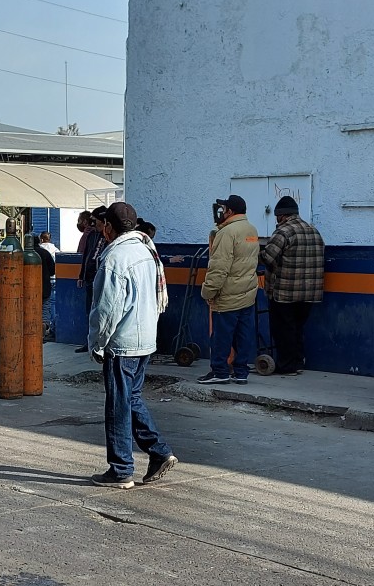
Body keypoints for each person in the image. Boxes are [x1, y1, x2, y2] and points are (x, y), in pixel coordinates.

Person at [88, 202, 177, 489]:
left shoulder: (115, 257)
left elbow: (106, 308)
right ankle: (159, 452)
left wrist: (97, 342)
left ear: (108, 227)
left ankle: (121, 469)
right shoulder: (146, 249)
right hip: (145, 339)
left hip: (122, 342)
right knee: (132, 398)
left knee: (117, 405)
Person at [260, 196, 325, 375]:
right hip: (310, 293)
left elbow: (267, 257)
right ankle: (297, 362)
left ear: (281, 216)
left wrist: (255, 253)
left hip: (285, 291)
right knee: (297, 327)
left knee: (284, 329)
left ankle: (287, 365)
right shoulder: (313, 230)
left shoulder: (283, 232)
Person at [198, 195, 259, 385]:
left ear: (230, 211)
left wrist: (208, 292)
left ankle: (220, 371)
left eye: (224, 209)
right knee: (243, 335)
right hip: (248, 294)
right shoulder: (251, 230)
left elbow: (218, 268)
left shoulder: (226, 233)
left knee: (221, 337)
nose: (221, 212)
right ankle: (241, 372)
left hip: (227, 296)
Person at [75, 206, 107, 353]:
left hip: (101, 277)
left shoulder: (107, 236)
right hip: (89, 277)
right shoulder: (92, 235)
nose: (94, 224)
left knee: (102, 311)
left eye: (96, 221)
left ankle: (101, 342)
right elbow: (86, 254)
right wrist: (81, 275)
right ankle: (90, 342)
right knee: (90, 311)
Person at [33, 234, 56, 341]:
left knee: (31, 309)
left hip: (29, 289)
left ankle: (32, 331)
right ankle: (42, 330)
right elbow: (53, 270)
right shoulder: (45, 253)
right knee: (45, 309)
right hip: (45, 287)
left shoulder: (24, 254)